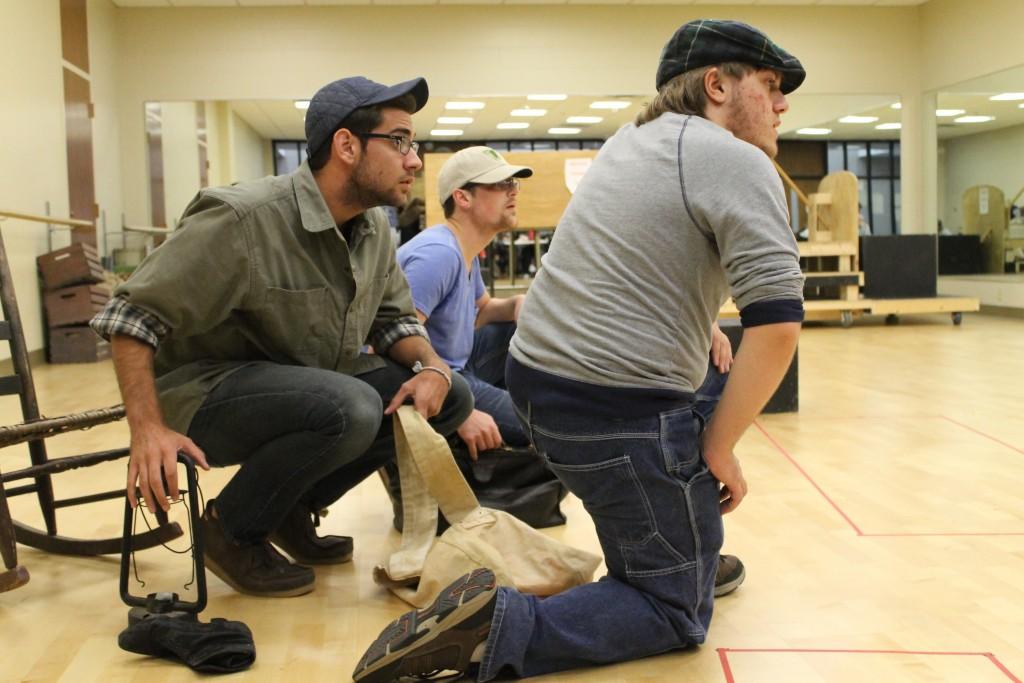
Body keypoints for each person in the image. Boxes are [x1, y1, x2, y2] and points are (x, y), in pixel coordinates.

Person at [353, 18, 805, 682]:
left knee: (691, 536)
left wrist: (695, 319)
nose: (782, 103)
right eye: (769, 85)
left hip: (541, 386)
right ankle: (494, 628)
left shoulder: (631, 140)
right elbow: (778, 326)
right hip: (614, 410)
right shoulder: (734, 158)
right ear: (716, 85)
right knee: (677, 610)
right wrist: (720, 447)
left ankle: (682, 548)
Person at [90, 76, 473, 599]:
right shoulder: (242, 218)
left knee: (452, 394)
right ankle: (230, 533)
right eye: (401, 141)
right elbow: (129, 316)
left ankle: (286, 509)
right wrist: (147, 429)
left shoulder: (371, 229)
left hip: (310, 392)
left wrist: (432, 366)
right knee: (351, 405)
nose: (415, 160)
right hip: (204, 395)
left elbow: (393, 322)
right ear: (346, 145)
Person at [396, 146, 534, 459]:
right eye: (500, 185)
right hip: (440, 378)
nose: (513, 191)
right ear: (463, 198)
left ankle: (548, 403)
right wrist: (457, 413)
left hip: (459, 364)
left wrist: (516, 304)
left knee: (524, 330)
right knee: (546, 425)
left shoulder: (462, 248)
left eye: (514, 184)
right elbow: (389, 348)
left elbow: (483, 310)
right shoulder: (438, 254)